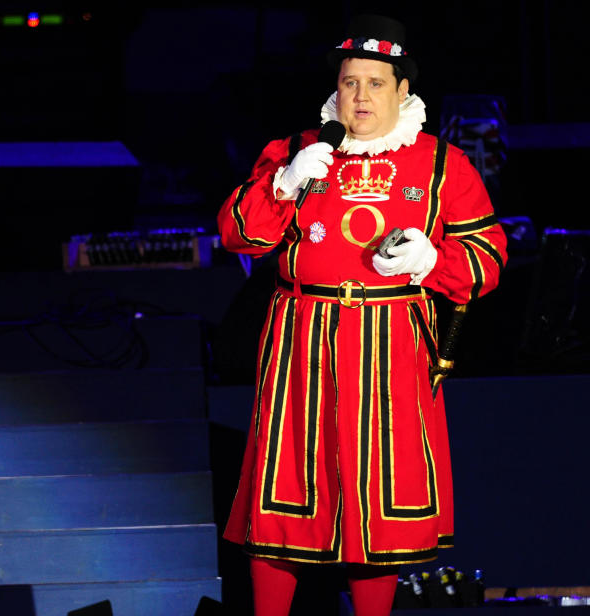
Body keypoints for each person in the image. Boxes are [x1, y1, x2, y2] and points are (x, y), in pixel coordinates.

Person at [217, 14, 507, 616]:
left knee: (383, 499)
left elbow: (487, 261)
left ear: (403, 92)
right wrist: (283, 185)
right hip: (304, 341)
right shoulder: (295, 152)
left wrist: (434, 257)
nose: (362, 97)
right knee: (288, 490)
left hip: (393, 343)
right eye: (352, 83)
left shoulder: (440, 164)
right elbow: (236, 235)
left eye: (376, 84)